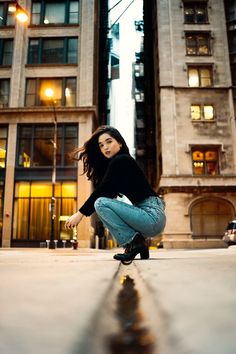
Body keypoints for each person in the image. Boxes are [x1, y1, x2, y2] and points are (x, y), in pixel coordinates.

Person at [65, 125, 166, 262]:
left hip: (151, 216)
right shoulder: (119, 163)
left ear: (119, 142)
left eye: (109, 141)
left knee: (100, 203)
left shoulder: (121, 160)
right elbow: (107, 190)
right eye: (101, 145)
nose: (105, 147)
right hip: (150, 216)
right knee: (102, 202)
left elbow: (102, 191)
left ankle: (134, 243)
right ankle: (139, 246)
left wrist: (80, 214)